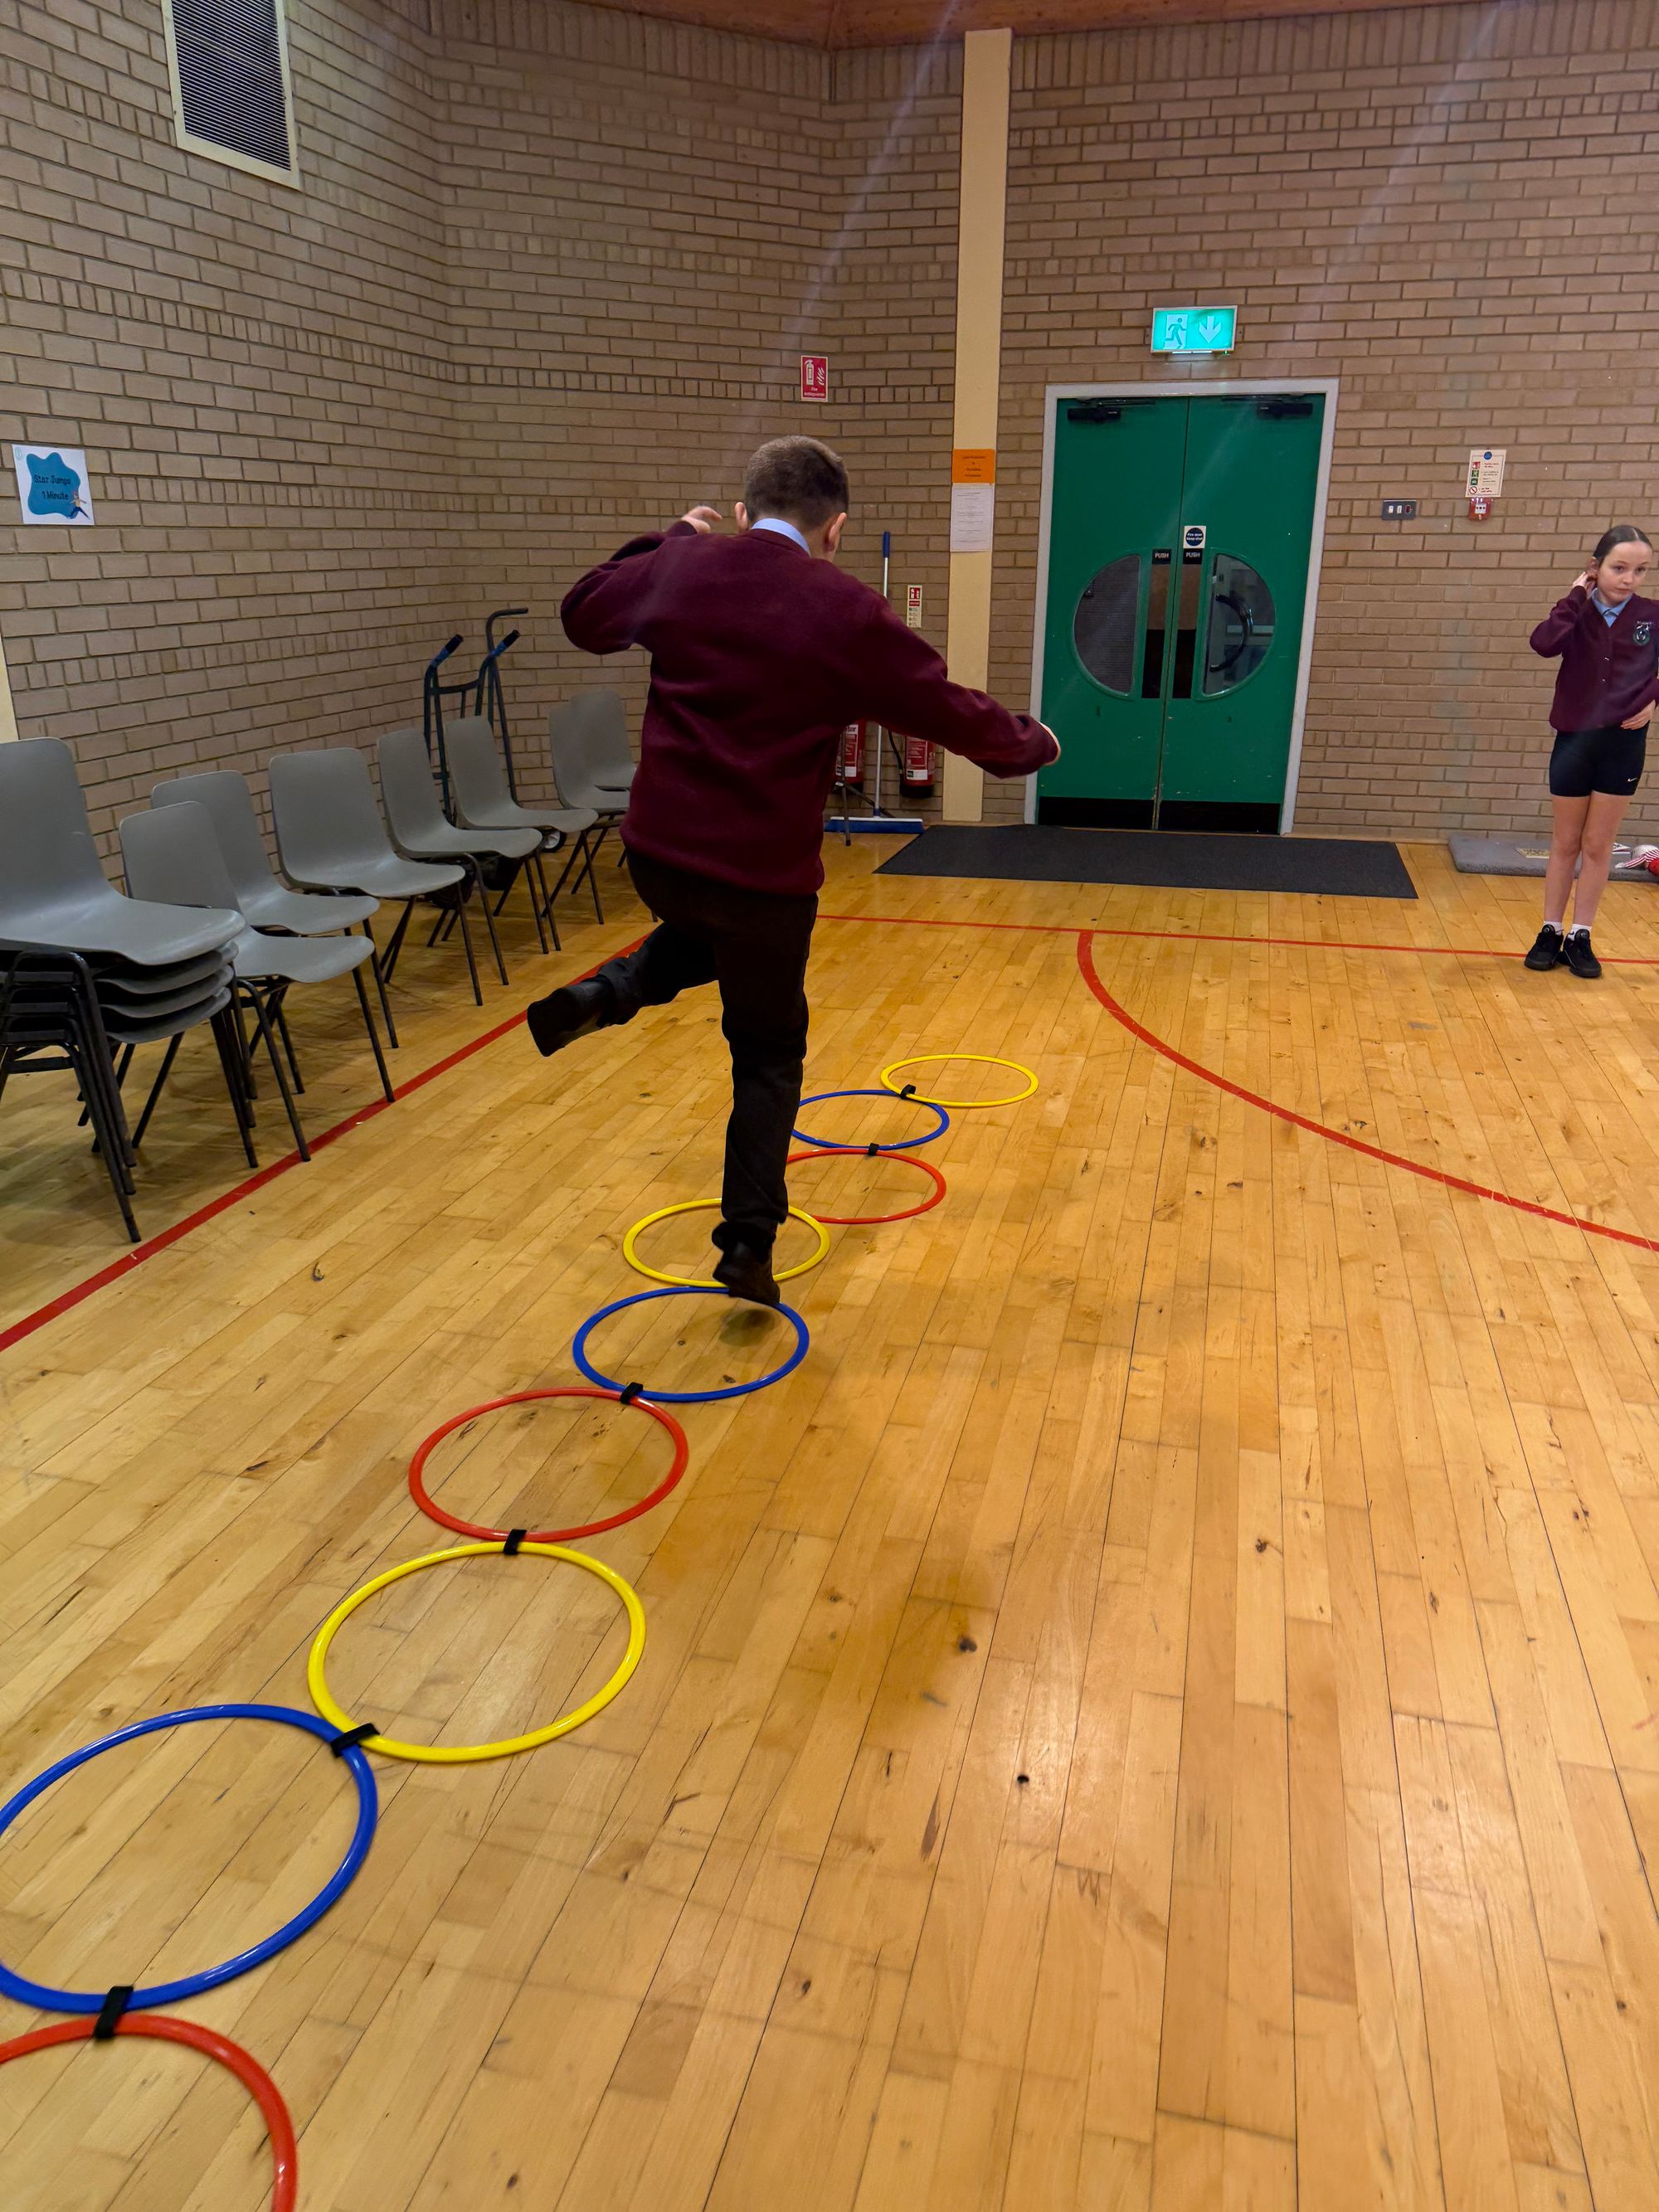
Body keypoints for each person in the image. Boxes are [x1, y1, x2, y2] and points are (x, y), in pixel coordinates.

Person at [526, 434, 1058, 1306]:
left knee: (704, 933)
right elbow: (940, 705)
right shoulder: (845, 610)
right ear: (836, 528)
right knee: (767, 1052)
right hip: (761, 879)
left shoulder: (684, 566)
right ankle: (746, 1244)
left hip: (658, 857)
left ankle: (609, 991)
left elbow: (583, 612)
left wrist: (669, 538)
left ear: (743, 512)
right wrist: (1029, 745)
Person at [1525, 524, 1659, 978]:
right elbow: (1544, 644)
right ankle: (1550, 930)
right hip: (1575, 743)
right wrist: (1574, 597)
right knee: (1566, 842)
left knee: (1598, 845)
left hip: (1623, 746)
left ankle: (1580, 935)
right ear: (1595, 567)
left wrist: (1654, 698)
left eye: (1640, 570)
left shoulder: (1651, 615)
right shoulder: (1575, 610)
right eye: (1619, 568)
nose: (1629, 579)